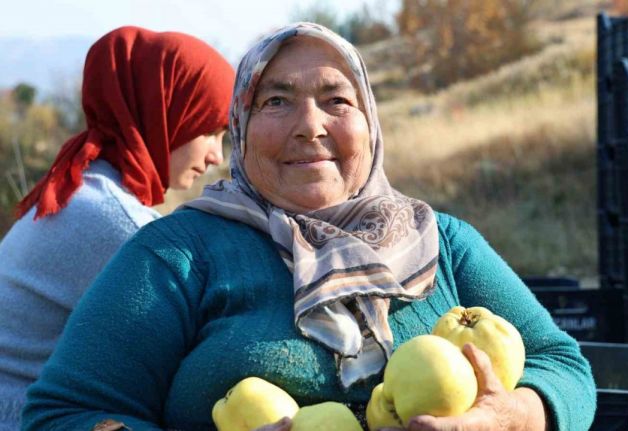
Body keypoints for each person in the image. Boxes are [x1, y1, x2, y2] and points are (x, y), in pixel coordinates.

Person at [21, 23, 596, 431]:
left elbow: (566, 367)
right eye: (276, 101)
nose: (310, 127)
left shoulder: (445, 243)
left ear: (370, 123)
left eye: (336, 100)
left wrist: (515, 417)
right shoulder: (177, 255)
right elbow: (63, 413)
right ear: (241, 130)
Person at [0, 26, 235, 430]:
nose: (216, 154)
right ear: (167, 115)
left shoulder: (86, 186)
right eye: (208, 130)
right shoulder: (117, 221)